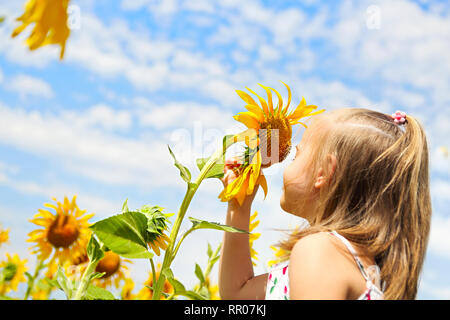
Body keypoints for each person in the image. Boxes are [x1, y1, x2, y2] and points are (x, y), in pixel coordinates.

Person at [218, 108, 431, 300]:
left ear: (325, 172)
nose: (287, 162)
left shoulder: (321, 252)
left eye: (296, 155)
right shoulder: (361, 267)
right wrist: (240, 206)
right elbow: (238, 293)